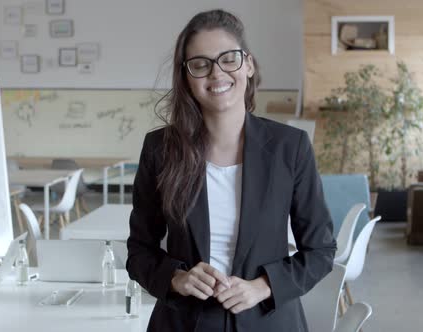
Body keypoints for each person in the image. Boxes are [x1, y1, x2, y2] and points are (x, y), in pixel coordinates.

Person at [126, 9, 336, 332]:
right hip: (184, 322)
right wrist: (176, 278)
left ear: (248, 65)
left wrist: (263, 286)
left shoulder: (290, 147)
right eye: (200, 64)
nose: (216, 73)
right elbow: (139, 250)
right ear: (186, 78)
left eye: (228, 59)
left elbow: (320, 250)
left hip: (268, 320)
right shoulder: (160, 149)